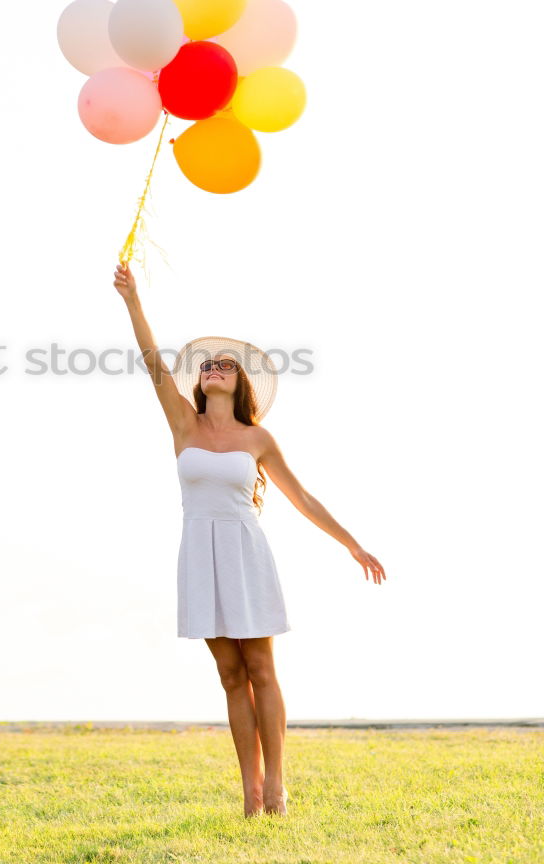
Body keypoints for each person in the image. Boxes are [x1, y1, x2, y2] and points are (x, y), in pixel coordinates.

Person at [113, 260, 387, 819]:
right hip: (199, 553)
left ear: (238, 385)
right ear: (199, 381)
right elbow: (151, 361)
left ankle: (278, 785)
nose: (213, 368)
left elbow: (303, 499)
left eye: (225, 366)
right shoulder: (183, 425)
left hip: (245, 552)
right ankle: (250, 791)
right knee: (230, 674)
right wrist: (132, 299)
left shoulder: (258, 437)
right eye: (207, 365)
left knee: (261, 669)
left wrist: (352, 544)